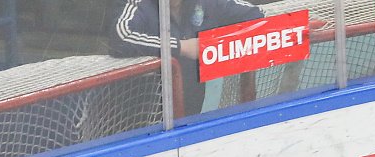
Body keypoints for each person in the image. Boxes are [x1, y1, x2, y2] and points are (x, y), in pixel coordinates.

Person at [108, 0, 264, 115]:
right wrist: (181, 47)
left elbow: (256, 15)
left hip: (190, 110)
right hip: (138, 115)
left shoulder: (206, 3)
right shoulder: (139, 4)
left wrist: (217, 42)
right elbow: (121, 37)